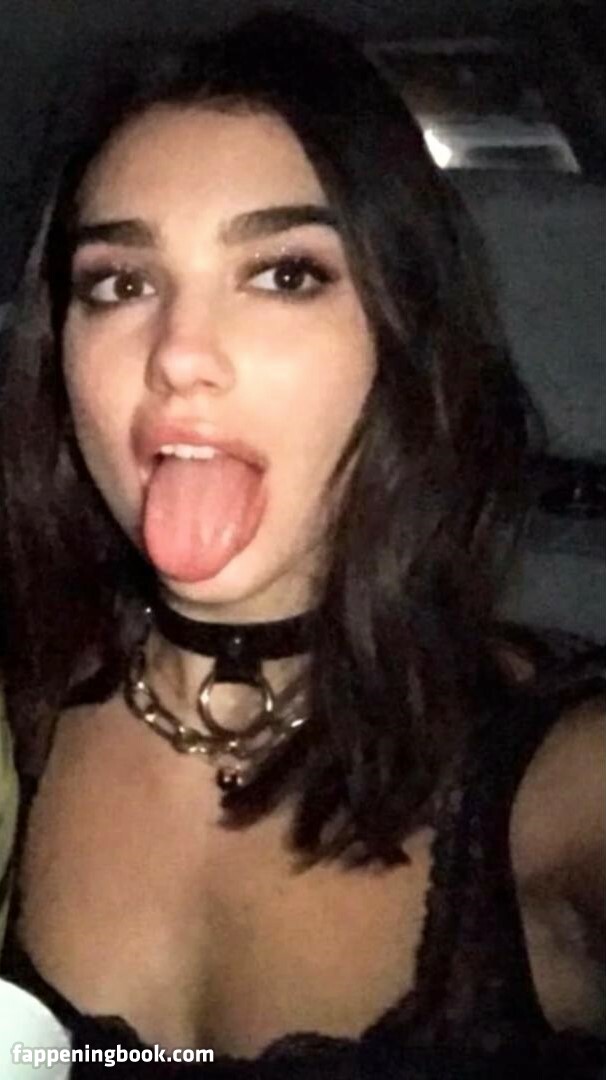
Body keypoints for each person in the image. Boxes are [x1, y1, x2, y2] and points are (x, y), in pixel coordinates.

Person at [0, 11, 603, 1077]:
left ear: (403, 336)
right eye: (120, 283)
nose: (178, 354)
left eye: (284, 274)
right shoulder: (21, 704)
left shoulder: (569, 782)